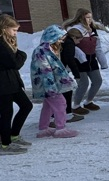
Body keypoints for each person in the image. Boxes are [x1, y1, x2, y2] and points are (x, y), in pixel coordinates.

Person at [30, 25, 79, 138]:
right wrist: (50, 87)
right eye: (60, 37)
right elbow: (44, 70)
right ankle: (60, 128)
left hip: (52, 84)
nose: (62, 40)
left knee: (48, 105)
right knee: (61, 103)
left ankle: (43, 128)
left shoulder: (49, 49)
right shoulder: (42, 51)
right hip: (49, 85)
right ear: (52, 36)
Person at [0, 14, 33, 153]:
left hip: (12, 81)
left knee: (26, 105)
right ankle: (5, 144)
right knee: (6, 113)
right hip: (3, 84)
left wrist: (19, 55)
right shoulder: (1, 44)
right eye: (14, 30)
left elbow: (14, 59)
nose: (15, 33)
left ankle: (13, 135)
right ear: (4, 28)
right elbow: (14, 62)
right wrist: (23, 55)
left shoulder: (7, 42)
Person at [67, 8, 108, 114]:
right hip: (79, 61)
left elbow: (97, 47)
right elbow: (72, 46)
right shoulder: (75, 29)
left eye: (91, 17)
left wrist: (103, 62)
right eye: (87, 17)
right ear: (81, 18)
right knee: (83, 83)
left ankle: (88, 101)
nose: (90, 20)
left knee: (97, 80)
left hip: (91, 59)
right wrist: (80, 58)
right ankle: (76, 105)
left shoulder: (93, 29)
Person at [60, 26, 86, 122]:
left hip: (59, 69)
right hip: (61, 70)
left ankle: (60, 114)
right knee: (66, 91)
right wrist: (77, 75)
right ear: (74, 37)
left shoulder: (66, 42)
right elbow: (70, 59)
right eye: (79, 40)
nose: (79, 43)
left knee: (63, 92)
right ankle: (67, 114)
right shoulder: (69, 43)